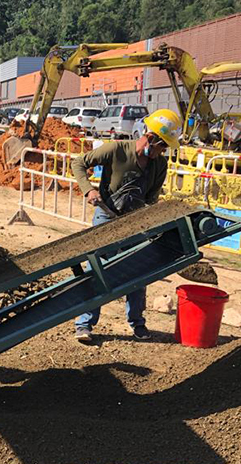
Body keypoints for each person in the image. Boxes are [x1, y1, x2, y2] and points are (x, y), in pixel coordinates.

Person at [70, 108, 181, 345]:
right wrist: (88, 190)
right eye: (162, 146)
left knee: (138, 271)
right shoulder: (116, 150)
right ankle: (84, 323)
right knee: (97, 269)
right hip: (106, 217)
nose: (162, 151)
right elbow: (78, 163)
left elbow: (151, 198)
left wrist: (147, 220)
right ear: (150, 137)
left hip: (134, 221)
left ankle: (137, 323)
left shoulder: (159, 165)